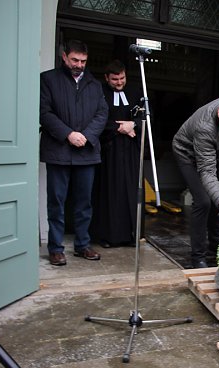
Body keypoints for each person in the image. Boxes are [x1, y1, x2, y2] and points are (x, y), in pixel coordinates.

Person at [40, 40, 108, 266]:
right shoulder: (48, 79)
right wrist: (69, 134)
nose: (79, 65)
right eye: (75, 60)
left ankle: (82, 245)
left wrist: (86, 136)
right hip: (58, 150)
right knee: (56, 203)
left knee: (84, 203)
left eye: (83, 61)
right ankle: (56, 248)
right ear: (64, 57)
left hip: (86, 152)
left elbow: (102, 114)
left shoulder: (95, 85)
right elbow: (45, 113)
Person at [172, 96, 219, 268]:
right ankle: (198, 256)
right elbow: (207, 173)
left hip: (213, 153)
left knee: (218, 199)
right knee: (204, 202)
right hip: (187, 155)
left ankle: (216, 243)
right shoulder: (204, 128)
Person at [90, 60, 142, 248]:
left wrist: (133, 124)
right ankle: (107, 236)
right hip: (108, 150)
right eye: (115, 79)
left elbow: (144, 116)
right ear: (106, 78)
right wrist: (121, 127)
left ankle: (130, 235)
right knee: (109, 192)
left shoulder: (136, 92)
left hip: (130, 151)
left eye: (122, 78)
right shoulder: (99, 92)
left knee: (130, 190)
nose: (119, 83)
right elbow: (94, 118)